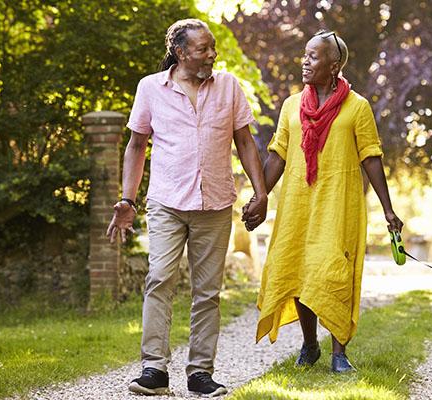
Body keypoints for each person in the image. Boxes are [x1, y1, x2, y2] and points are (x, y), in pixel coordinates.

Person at [107, 18, 267, 396]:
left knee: (208, 291)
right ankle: (154, 370)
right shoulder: (151, 88)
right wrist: (127, 199)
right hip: (167, 201)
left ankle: (199, 373)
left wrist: (261, 192)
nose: (212, 54)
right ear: (181, 53)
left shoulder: (228, 86)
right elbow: (136, 146)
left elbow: (245, 142)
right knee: (160, 278)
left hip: (214, 202)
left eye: (213, 48)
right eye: (203, 49)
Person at [242, 30, 403, 373]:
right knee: (300, 271)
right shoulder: (290, 106)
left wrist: (388, 209)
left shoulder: (357, 107)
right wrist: (260, 196)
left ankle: (339, 351)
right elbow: (278, 157)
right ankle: (310, 344)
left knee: (333, 271)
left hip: (338, 204)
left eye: (313, 57)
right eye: (305, 55)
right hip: (298, 202)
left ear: (333, 65)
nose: (305, 62)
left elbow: (371, 158)